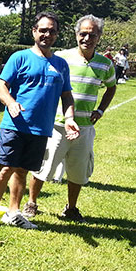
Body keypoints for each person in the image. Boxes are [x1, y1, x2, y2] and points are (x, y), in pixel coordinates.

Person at [0, 12, 79, 232]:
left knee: (23, 171)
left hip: (41, 128)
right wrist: (11, 102)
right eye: (43, 30)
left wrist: (70, 118)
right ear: (34, 31)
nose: (47, 34)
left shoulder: (61, 64)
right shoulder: (20, 57)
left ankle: (13, 213)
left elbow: (67, 96)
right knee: (5, 168)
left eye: (52, 31)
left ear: (57, 34)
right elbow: (1, 86)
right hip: (15, 125)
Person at [24, 15, 117, 221]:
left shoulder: (105, 64)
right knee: (43, 166)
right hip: (57, 124)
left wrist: (100, 110)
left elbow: (111, 87)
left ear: (99, 37)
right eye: (83, 34)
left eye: (92, 35)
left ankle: (71, 208)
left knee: (78, 172)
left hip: (84, 127)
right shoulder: (61, 57)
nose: (87, 38)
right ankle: (31, 203)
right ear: (76, 35)